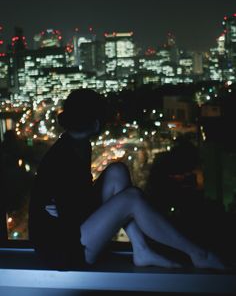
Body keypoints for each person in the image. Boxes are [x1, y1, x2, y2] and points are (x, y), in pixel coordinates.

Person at [28, 88, 225, 270]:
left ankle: (141, 250)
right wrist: (69, 206)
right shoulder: (65, 157)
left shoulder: (76, 144)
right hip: (66, 252)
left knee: (117, 171)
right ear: (96, 122)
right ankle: (198, 253)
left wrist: (70, 205)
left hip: (69, 235)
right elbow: (70, 212)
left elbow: (73, 204)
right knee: (132, 198)